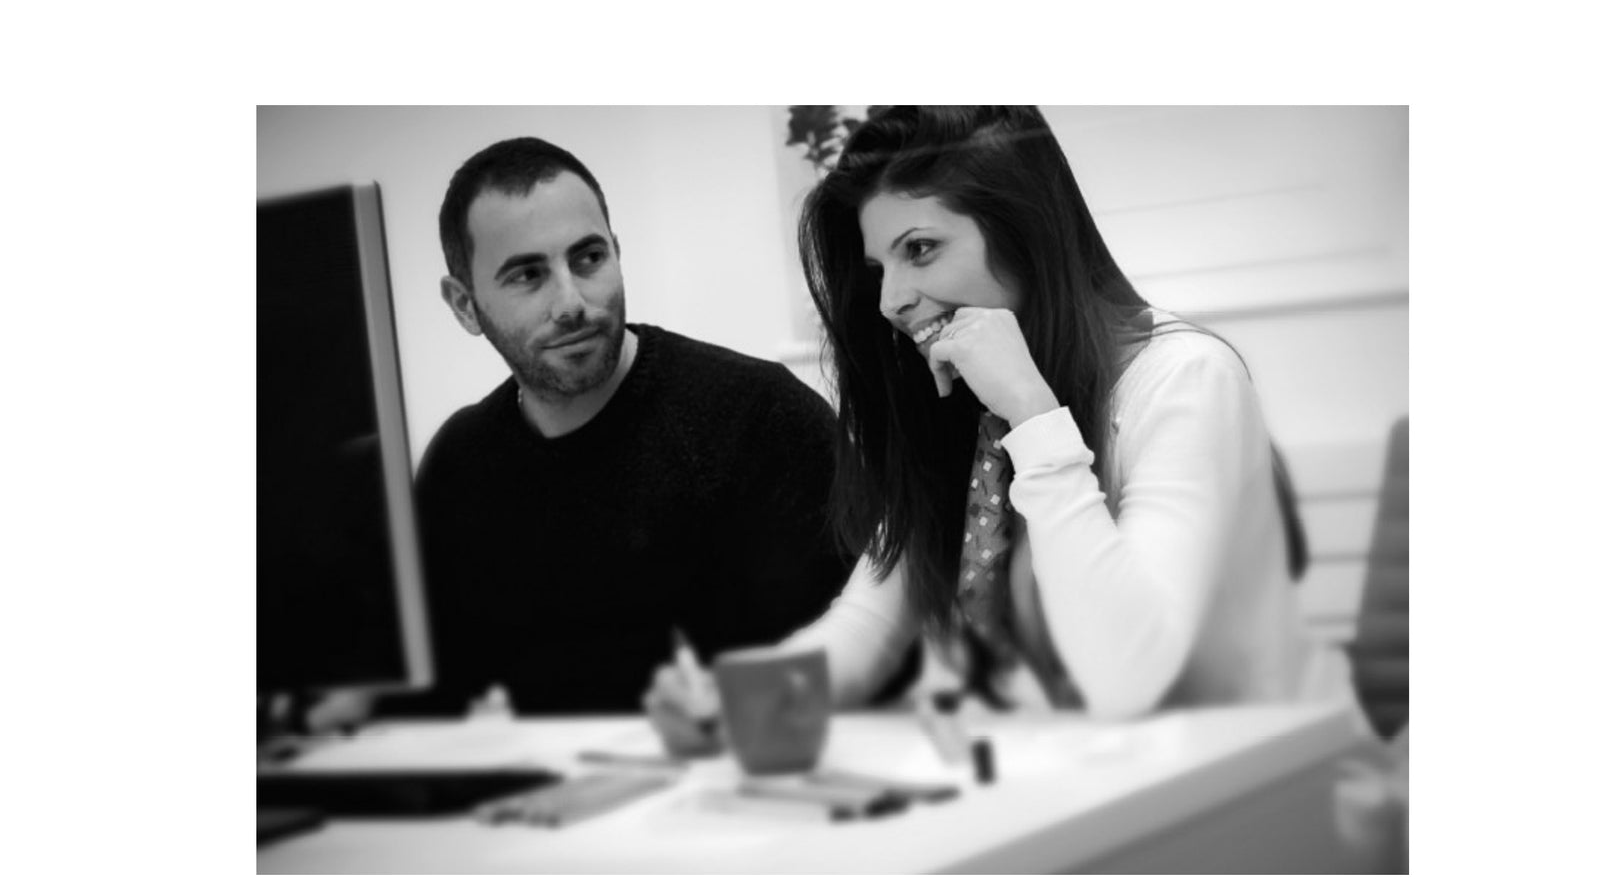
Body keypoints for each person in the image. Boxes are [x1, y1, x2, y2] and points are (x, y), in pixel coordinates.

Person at [648, 105, 1361, 746]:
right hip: (1072, 783)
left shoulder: (1184, 379)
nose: (892, 300)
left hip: (1255, 783)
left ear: (1023, 230)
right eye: (878, 267)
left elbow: (1126, 676)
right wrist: (734, 701)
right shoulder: (958, 400)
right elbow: (869, 624)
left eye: (920, 249)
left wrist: (1034, 414)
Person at [343, 136, 853, 720]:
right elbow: (429, 707)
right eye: (528, 275)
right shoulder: (460, 465)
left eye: (588, 259)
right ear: (464, 306)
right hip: (544, 799)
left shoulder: (762, 420)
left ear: (616, 251)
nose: (571, 302)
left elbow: (859, 669)